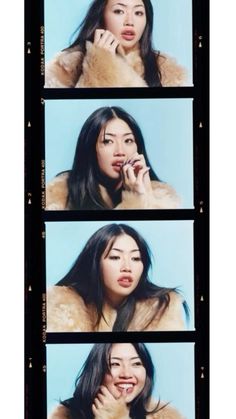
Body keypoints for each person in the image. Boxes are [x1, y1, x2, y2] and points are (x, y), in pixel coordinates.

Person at [47, 223, 188, 332]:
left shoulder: (162, 309)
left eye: (135, 258)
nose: (127, 267)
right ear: (94, 263)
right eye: (115, 257)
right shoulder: (64, 307)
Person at [45, 106, 180, 210]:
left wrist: (145, 196)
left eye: (128, 141)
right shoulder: (58, 199)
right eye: (108, 141)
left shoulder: (164, 200)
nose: (120, 152)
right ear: (90, 147)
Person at [45, 0, 187, 88]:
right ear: (101, 16)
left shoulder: (167, 70)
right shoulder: (65, 68)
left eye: (138, 12)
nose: (129, 21)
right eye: (119, 11)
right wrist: (100, 62)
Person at [48, 343, 185, 419]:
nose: (126, 374)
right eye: (115, 364)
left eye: (136, 363)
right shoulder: (65, 415)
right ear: (97, 371)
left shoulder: (166, 416)